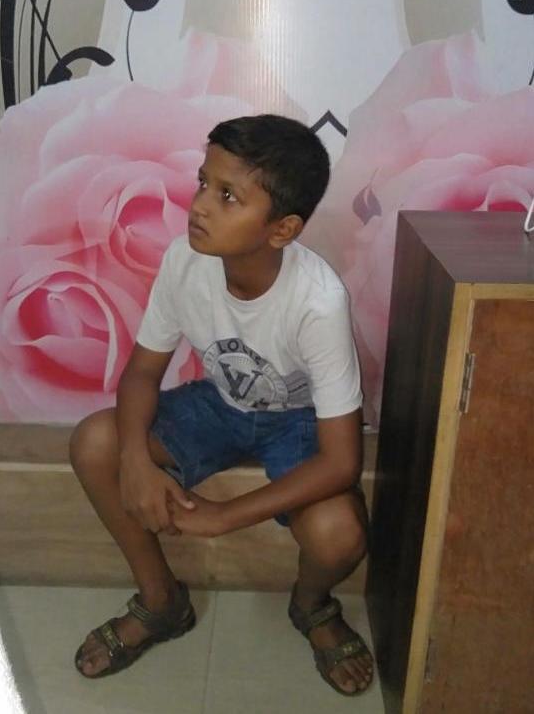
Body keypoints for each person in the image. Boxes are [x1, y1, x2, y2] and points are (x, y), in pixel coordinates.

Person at [70, 114, 374, 696]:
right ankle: (161, 600)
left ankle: (312, 606)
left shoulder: (318, 300)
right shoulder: (185, 261)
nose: (200, 205)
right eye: (203, 182)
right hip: (218, 405)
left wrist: (222, 516)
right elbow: (142, 373)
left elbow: (341, 462)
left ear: (281, 229)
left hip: (297, 423)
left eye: (228, 195)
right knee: (95, 442)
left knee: (339, 533)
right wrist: (135, 460)